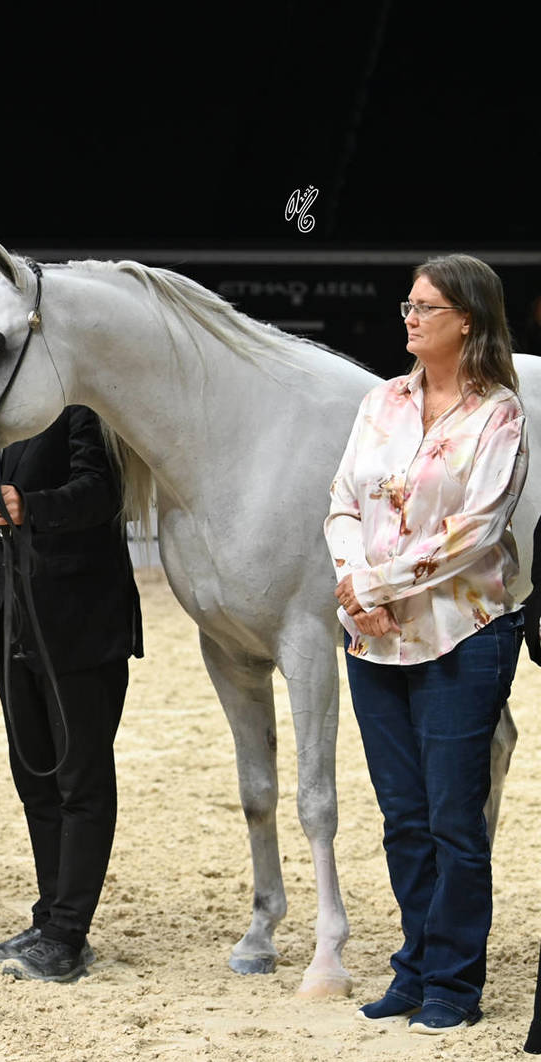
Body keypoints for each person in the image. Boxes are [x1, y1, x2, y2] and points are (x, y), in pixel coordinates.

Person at [326, 253, 527, 1035]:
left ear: (467, 320)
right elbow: (341, 501)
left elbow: (475, 532)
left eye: (426, 308)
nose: (409, 318)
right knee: (403, 817)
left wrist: (374, 588)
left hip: (461, 635)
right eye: (407, 306)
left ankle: (454, 980)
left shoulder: (499, 413)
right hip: (372, 639)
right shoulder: (379, 402)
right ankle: (413, 964)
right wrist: (353, 584)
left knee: (453, 817)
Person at [0, 407, 142, 982]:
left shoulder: (84, 409)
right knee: (36, 781)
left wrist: (34, 507)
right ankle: (49, 916)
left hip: (80, 627)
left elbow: (105, 491)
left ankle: (68, 934)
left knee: (81, 781)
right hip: (14, 624)